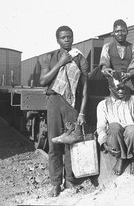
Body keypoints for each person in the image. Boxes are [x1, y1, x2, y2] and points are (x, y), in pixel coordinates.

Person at [98, 19, 134, 174]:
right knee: (114, 118)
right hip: (115, 83)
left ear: (127, 31)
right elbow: (104, 64)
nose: (120, 33)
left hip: (131, 83)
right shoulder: (107, 47)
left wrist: (129, 74)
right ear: (113, 32)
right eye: (117, 31)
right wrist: (106, 71)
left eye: (123, 30)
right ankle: (122, 156)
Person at [39, 25, 89, 197]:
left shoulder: (80, 58)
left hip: (71, 103)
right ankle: (55, 183)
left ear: (73, 38)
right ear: (57, 40)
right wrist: (61, 63)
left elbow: (84, 89)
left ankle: (70, 180)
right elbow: (43, 80)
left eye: (69, 36)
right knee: (54, 144)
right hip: (54, 101)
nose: (67, 39)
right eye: (63, 37)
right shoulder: (49, 57)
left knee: (71, 143)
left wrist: (81, 112)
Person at [96, 72, 134, 176]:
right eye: (117, 89)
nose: (121, 91)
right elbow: (101, 127)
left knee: (132, 129)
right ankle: (120, 158)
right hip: (115, 140)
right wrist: (104, 144)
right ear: (110, 88)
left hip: (133, 138)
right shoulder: (103, 105)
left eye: (123, 88)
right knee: (113, 127)